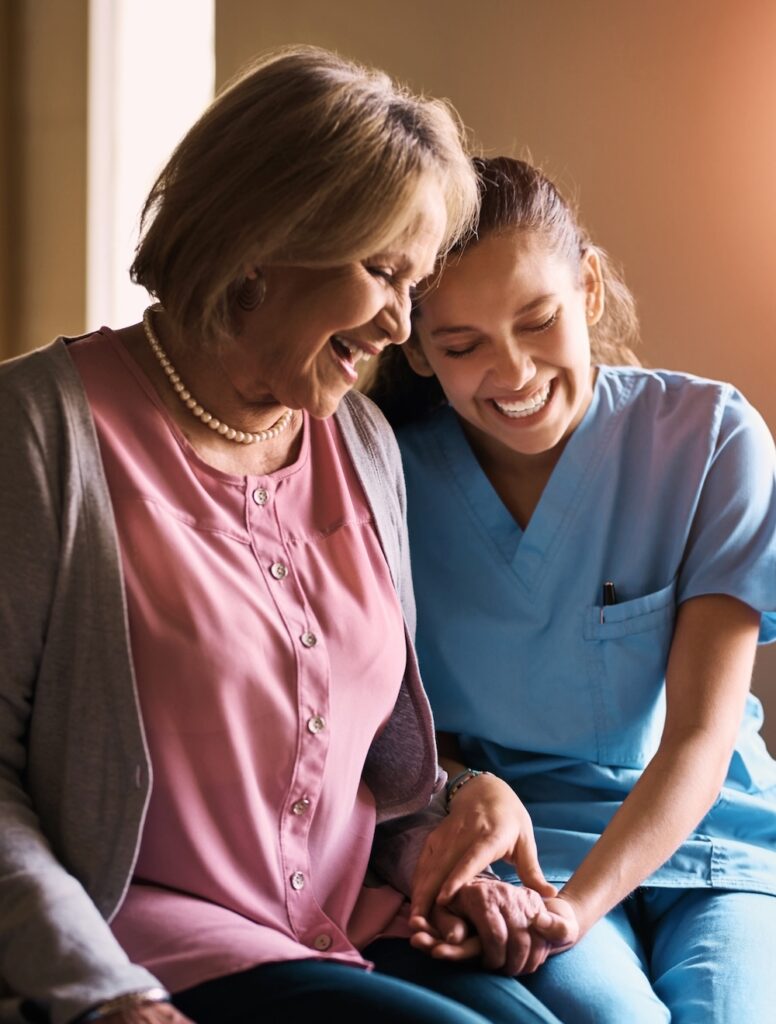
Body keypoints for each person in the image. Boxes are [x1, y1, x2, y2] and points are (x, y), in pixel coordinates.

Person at [0, 59, 563, 1024]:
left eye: (414, 286)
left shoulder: (363, 444)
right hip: (152, 944)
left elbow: (370, 778)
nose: (400, 325)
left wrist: (445, 859)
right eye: (383, 273)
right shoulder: (40, 433)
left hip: (352, 924)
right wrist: (104, 996)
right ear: (265, 239)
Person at [368, 155, 776, 1022]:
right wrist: (494, 850)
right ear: (414, 344)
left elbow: (702, 737)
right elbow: (382, 727)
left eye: (538, 319)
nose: (511, 372)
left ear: (588, 288)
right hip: (529, 849)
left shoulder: (711, 440)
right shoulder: (385, 479)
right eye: (461, 344)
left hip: (717, 842)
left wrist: (577, 910)